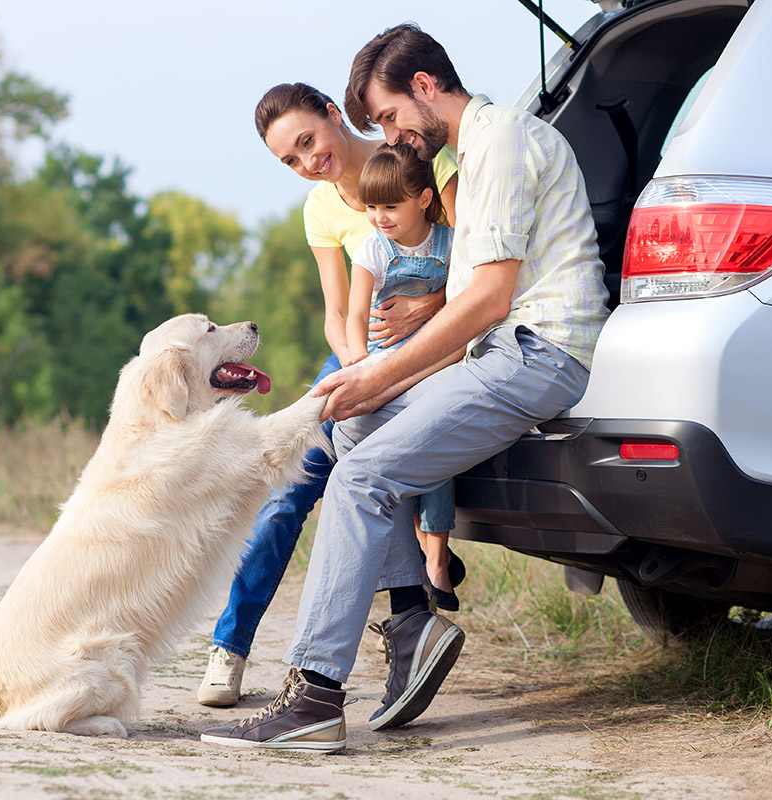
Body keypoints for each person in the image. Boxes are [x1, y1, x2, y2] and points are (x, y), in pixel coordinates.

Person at [202, 24, 610, 753]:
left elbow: (482, 299)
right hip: (499, 350)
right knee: (353, 428)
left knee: (357, 476)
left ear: (425, 89)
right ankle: (414, 621)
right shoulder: (482, 146)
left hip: (537, 354)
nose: (389, 135)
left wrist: (379, 374)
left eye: (388, 116)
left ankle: (315, 696)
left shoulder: (502, 142)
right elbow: (462, 308)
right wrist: (368, 381)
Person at [196, 83, 462, 708]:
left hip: (441, 342)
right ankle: (230, 648)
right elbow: (336, 310)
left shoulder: (418, 161)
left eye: (308, 141)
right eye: (291, 160)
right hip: (358, 352)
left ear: (334, 116)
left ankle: (410, 625)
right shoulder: (321, 208)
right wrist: (356, 367)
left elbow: (482, 267)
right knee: (291, 483)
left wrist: (427, 310)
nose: (308, 162)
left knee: (382, 456)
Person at [345, 142, 461, 611]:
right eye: (371, 207)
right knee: (394, 447)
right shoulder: (373, 249)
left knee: (434, 441)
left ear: (424, 200)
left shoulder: (451, 243)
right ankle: (414, 551)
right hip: (387, 361)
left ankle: (436, 558)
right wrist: (357, 361)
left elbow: (468, 296)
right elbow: (355, 316)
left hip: (437, 361)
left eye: (390, 206)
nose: (379, 217)